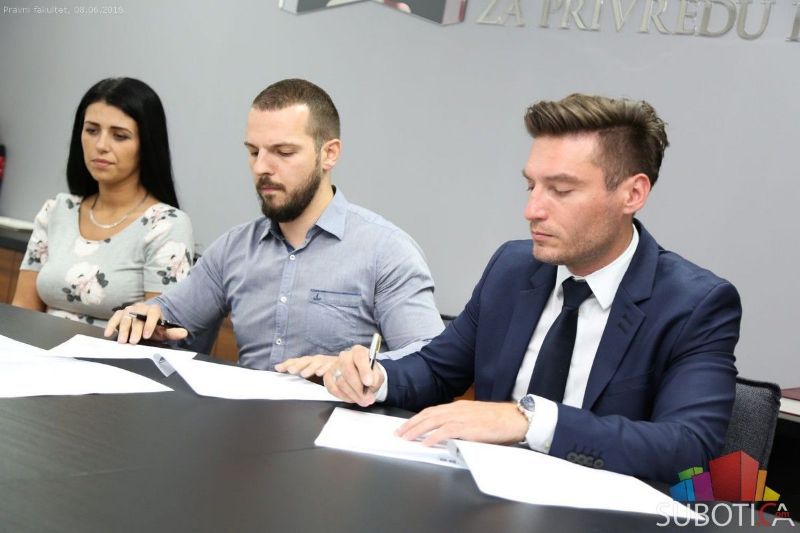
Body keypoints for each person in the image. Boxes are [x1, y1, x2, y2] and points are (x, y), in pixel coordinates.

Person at [325, 94, 742, 483]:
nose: (532, 210)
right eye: (531, 186)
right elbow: (437, 370)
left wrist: (530, 421)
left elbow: (688, 448)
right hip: (481, 498)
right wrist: (375, 376)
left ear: (632, 194)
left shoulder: (694, 304)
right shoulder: (512, 268)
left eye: (561, 190)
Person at [105, 78, 443, 372]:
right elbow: (168, 315)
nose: (261, 168)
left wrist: (355, 367)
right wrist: (144, 320)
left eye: (283, 152)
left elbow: (430, 362)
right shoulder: (233, 248)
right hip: (243, 420)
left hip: (334, 421)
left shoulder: (386, 251)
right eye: (254, 152)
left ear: (329, 154)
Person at [12, 77, 194, 327]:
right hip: (37, 349)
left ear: (147, 144)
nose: (101, 145)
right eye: (91, 130)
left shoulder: (166, 225)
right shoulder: (56, 210)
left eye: (119, 136)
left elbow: (159, 332)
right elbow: (22, 309)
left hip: (113, 352)